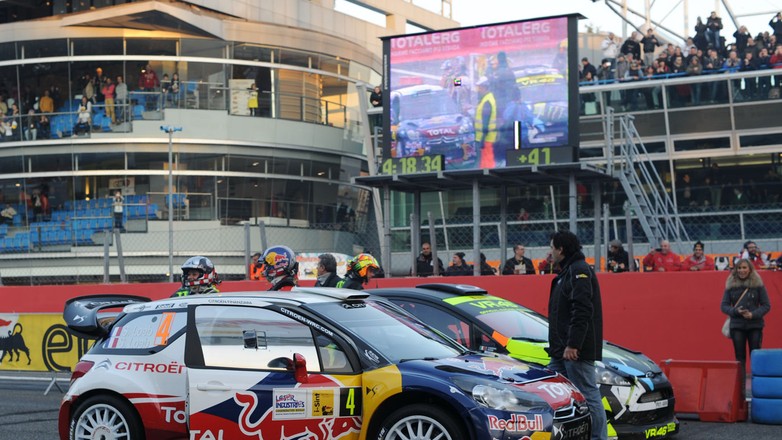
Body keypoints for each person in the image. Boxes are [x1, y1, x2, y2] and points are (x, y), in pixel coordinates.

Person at [546, 230, 607, 440]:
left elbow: (582, 310)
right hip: (561, 351)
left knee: (588, 395)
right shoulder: (569, 270)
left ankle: (598, 437)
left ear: (561, 249)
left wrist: (573, 344)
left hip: (573, 351)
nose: (550, 252)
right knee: (548, 390)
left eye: (552, 247)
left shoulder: (578, 270)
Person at [720, 258, 771, 396]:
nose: (742, 271)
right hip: (737, 326)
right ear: (736, 270)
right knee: (740, 358)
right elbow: (724, 306)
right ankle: (741, 391)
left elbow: (766, 305)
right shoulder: (730, 285)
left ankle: (758, 387)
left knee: (755, 355)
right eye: (739, 268)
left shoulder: (758, 285)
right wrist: (736, 312)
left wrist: (753, 314)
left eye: (744, 268)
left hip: (755, 325)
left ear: (750, 269)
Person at [474, 76, 498, 169]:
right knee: (485, 159)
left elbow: (485, 121)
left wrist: (483, 138)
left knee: (487, 160)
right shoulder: (486, 98)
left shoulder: (487, 100)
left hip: (486, 136)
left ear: (484, 87)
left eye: (479, 87)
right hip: (485, 136)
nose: (478, 89)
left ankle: (488, 176)